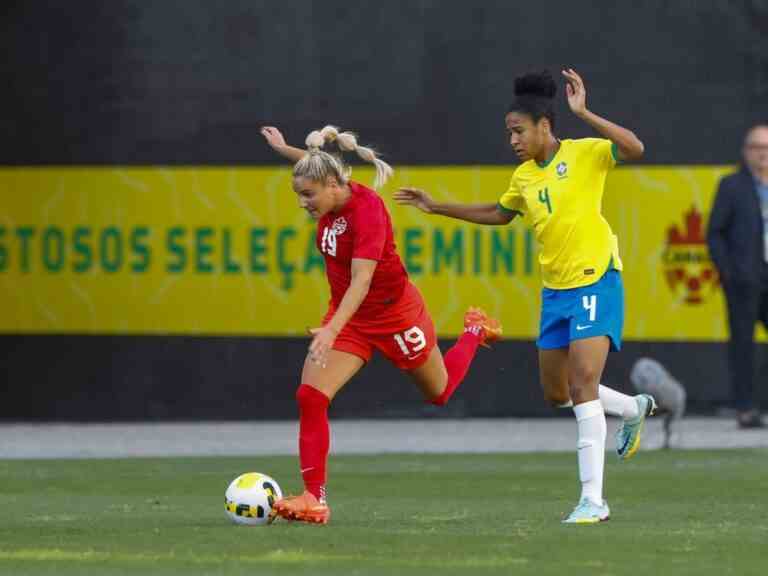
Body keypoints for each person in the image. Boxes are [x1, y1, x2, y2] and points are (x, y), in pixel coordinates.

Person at [394, 69, 655, 524]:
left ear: (544, 127)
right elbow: (499, 213)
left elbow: (635, 148)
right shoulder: (523, 178)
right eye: (509, 132)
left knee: (582, 385)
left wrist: (585, 112)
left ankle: (593, 500)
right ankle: (633, 408)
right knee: (557, 393)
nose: (513, 140)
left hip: (596, 279)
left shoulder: (585, 154)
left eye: (518, 131)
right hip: (555, 291)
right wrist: (436, 206)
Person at [259, 125, 502, 524]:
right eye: (299, 194)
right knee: (311, 397)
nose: (303, 203)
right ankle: (314, 498)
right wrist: (284, 148)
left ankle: (474, 330)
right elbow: (315, 169)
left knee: (439, 394)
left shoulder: (367, 210)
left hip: (395, 315)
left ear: (333, 184)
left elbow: (363, 280)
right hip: (352, 321)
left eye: (308, 194)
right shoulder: (327, 189)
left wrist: (333, 328)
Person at [707, 124, 768, 429]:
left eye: (767, 148)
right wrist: (729, 272)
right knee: (743, 345)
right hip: (744, 279)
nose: (763, 154)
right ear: (746, 152)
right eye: (757, 147)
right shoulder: (732, 186)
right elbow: (714, 233)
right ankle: (745, 408)